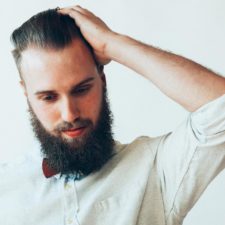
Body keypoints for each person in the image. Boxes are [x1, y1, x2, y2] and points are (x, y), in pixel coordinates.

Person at [1, 5, 225, 225]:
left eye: (81, 89)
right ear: (26, 95)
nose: (69, 114)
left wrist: (113, 44)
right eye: (49, 97)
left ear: (102, 80)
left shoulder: (154, 170)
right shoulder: (6, 188)